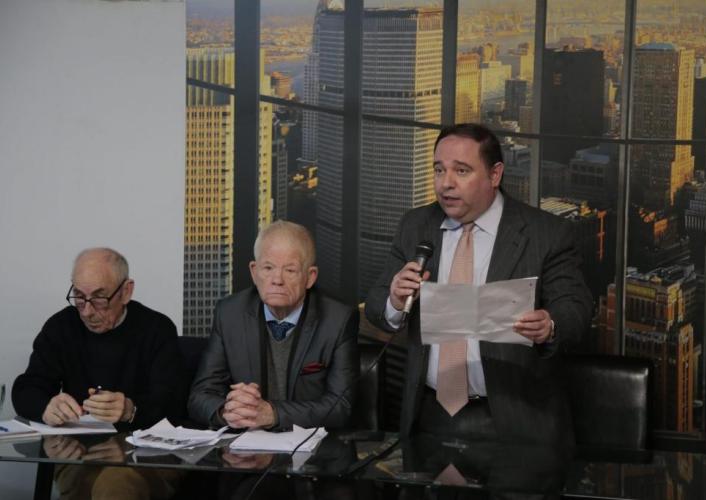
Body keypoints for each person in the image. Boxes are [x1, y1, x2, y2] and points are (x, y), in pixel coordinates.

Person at [365, 123, 593, 444]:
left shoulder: (546, 233)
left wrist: (550, 325)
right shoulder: (415, 225)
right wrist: (395, 301)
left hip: (514, 417)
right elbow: (376, 306)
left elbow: (576, 308)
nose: (446, 183)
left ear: (494, 174)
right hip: (427, 415)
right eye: (439, 170)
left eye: (461, 171)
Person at [12, 247, 186, 499]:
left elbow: (174, 404)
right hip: (78, 450)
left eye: (99, 298)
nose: (87, 311)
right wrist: (46, 406)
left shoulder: (156, 329)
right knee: (91, 481)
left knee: (116, 482)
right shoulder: (61, 326)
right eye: (79, 297)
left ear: (126, 291)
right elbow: (27, 388)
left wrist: (131, 410)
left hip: (145, 452)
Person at [188, 220, 359, 432]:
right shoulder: (230, 313)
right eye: (268, 268)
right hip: (245, 446)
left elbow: (340, 407)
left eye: (290, 270)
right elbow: (200, 396)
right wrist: (228, 411)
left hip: (310, 447)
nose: (277, 279)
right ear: (254, 271)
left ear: (310, 277)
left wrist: (272, 414)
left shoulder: (338, 319)